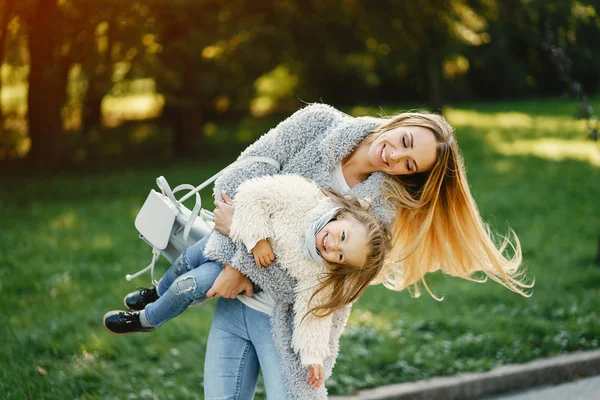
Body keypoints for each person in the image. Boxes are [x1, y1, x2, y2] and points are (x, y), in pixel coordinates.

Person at [126, 104, 531, 400]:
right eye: (404, 141)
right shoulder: (318, 121)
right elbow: (237, 181)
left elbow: (329, 286)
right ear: (404, 120)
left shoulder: (383, 215)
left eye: (409, 165)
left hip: (287, 325)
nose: (395, 157)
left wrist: (242, 257)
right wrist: (240, 259)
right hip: (234, 306)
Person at [103, 174, 390, 389]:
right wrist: (256, 240)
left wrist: (313, 356)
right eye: (342, 236)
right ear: (342, 215)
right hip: (225, 243)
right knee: (182, 264)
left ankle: (145, 319)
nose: (332, 247)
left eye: (341, 256)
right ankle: (154, 292)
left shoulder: (318, 270)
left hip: (239, 273)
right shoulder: (305, 196)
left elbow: (313, 312)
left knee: (186, 286)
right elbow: (254, 194)